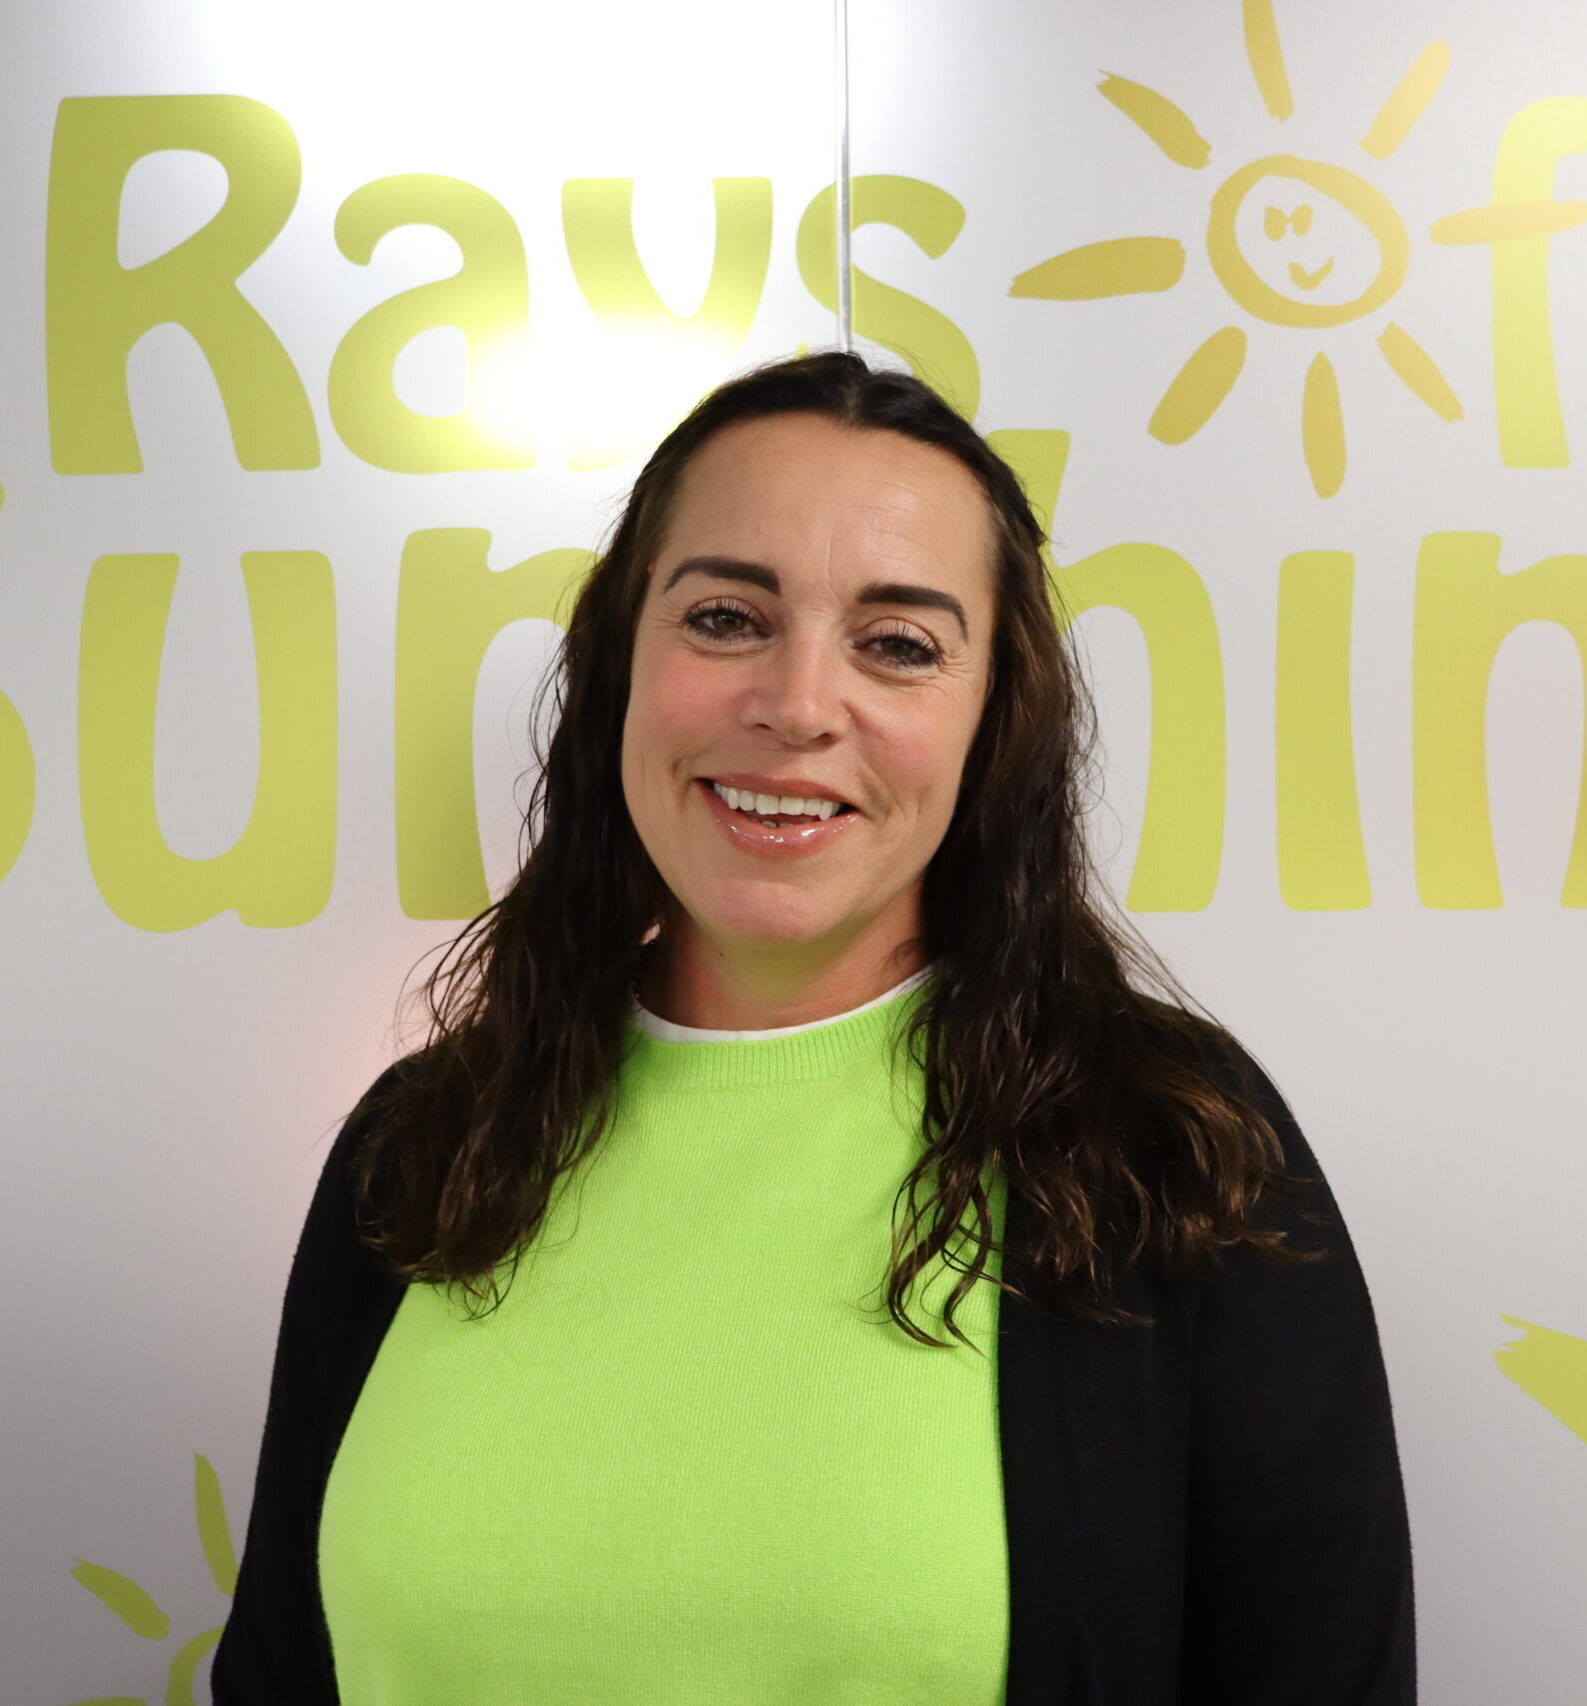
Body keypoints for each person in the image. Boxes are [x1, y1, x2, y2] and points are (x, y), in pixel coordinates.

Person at [210, 351, 1416, 1705]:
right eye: (726, 616)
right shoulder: (421, 1145)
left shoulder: (1173, 1147)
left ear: (992, 722)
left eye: (897, 643)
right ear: (621, 661)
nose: (795, 705)